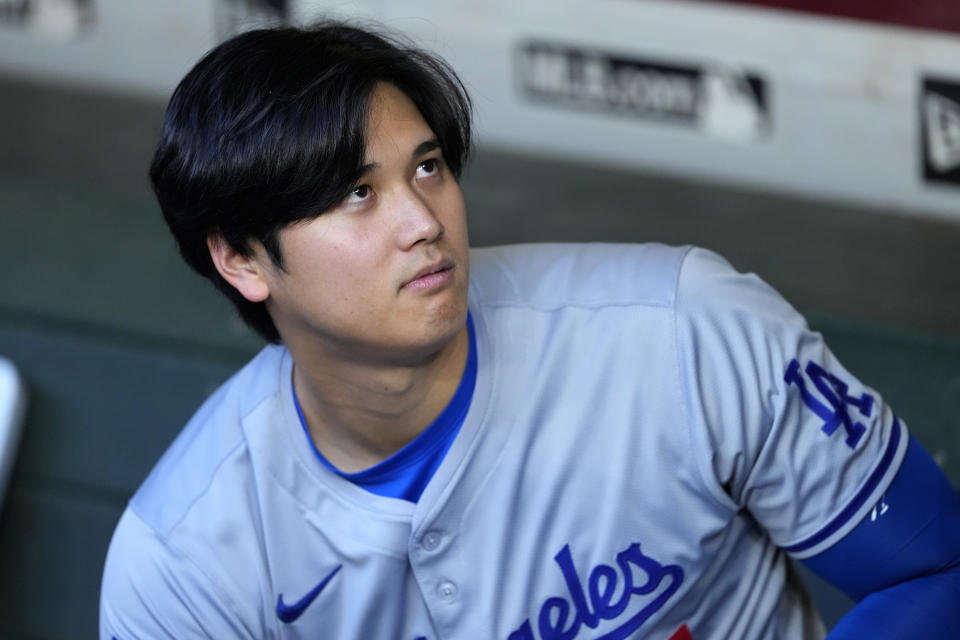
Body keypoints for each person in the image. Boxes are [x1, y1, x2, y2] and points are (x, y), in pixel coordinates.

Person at [100, 21, 960, 639]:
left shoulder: (683, 327)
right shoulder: (180, 560)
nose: (422, 220)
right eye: (357, 194)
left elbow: (934, 570)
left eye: (427, 168)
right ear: (243, 259)